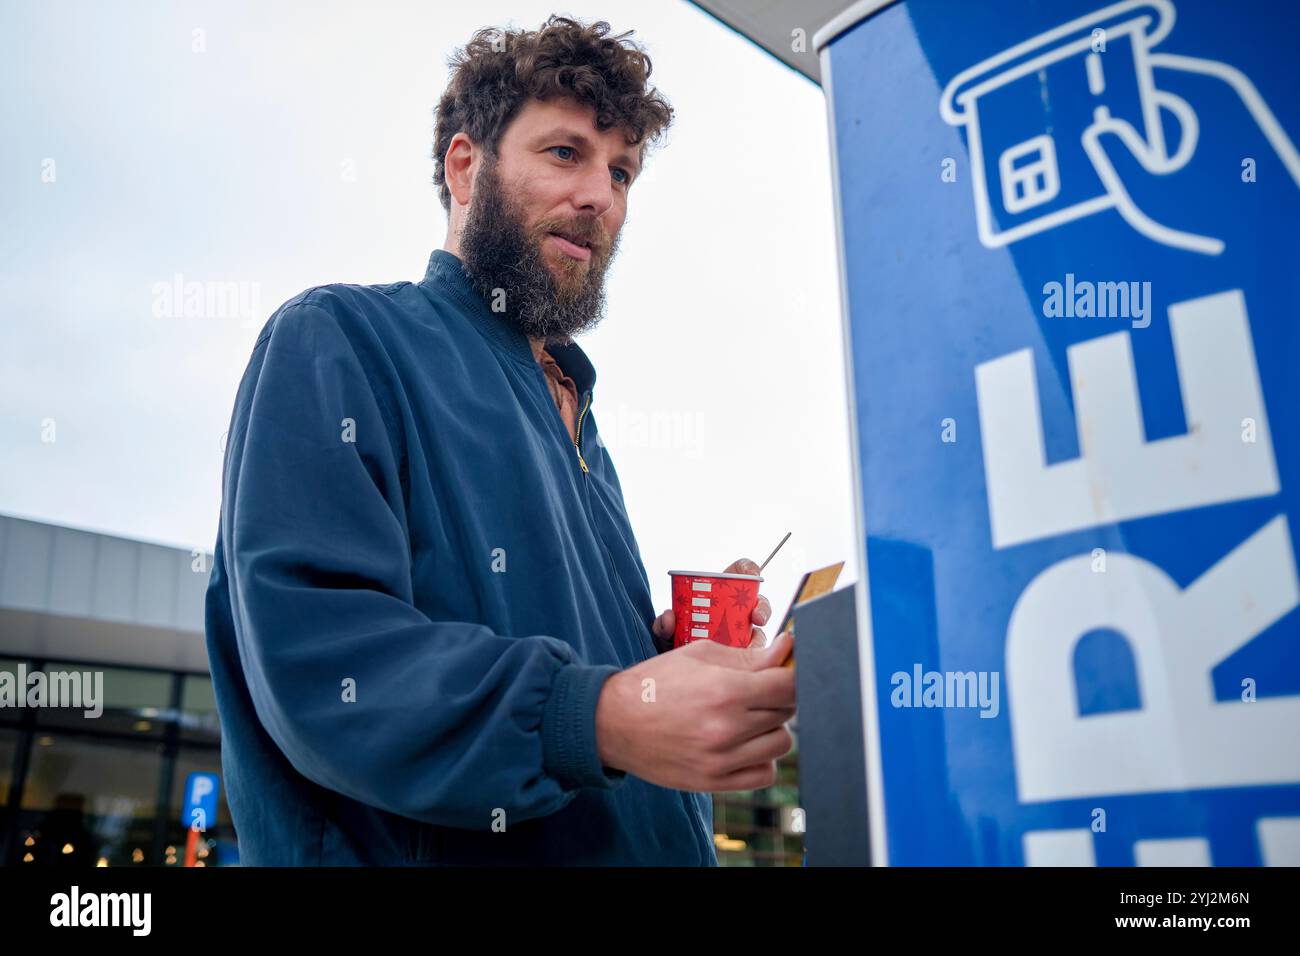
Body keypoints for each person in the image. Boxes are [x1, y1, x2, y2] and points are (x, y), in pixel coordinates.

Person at [204, 14, 796, 866]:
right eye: (566, 153)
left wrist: (661, 664)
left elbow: (586, 691)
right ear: (465, 165)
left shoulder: (580, 418)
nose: (602, 196)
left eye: (622, 170)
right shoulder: (339, 340)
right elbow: (321, 663)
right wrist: (593, 714)